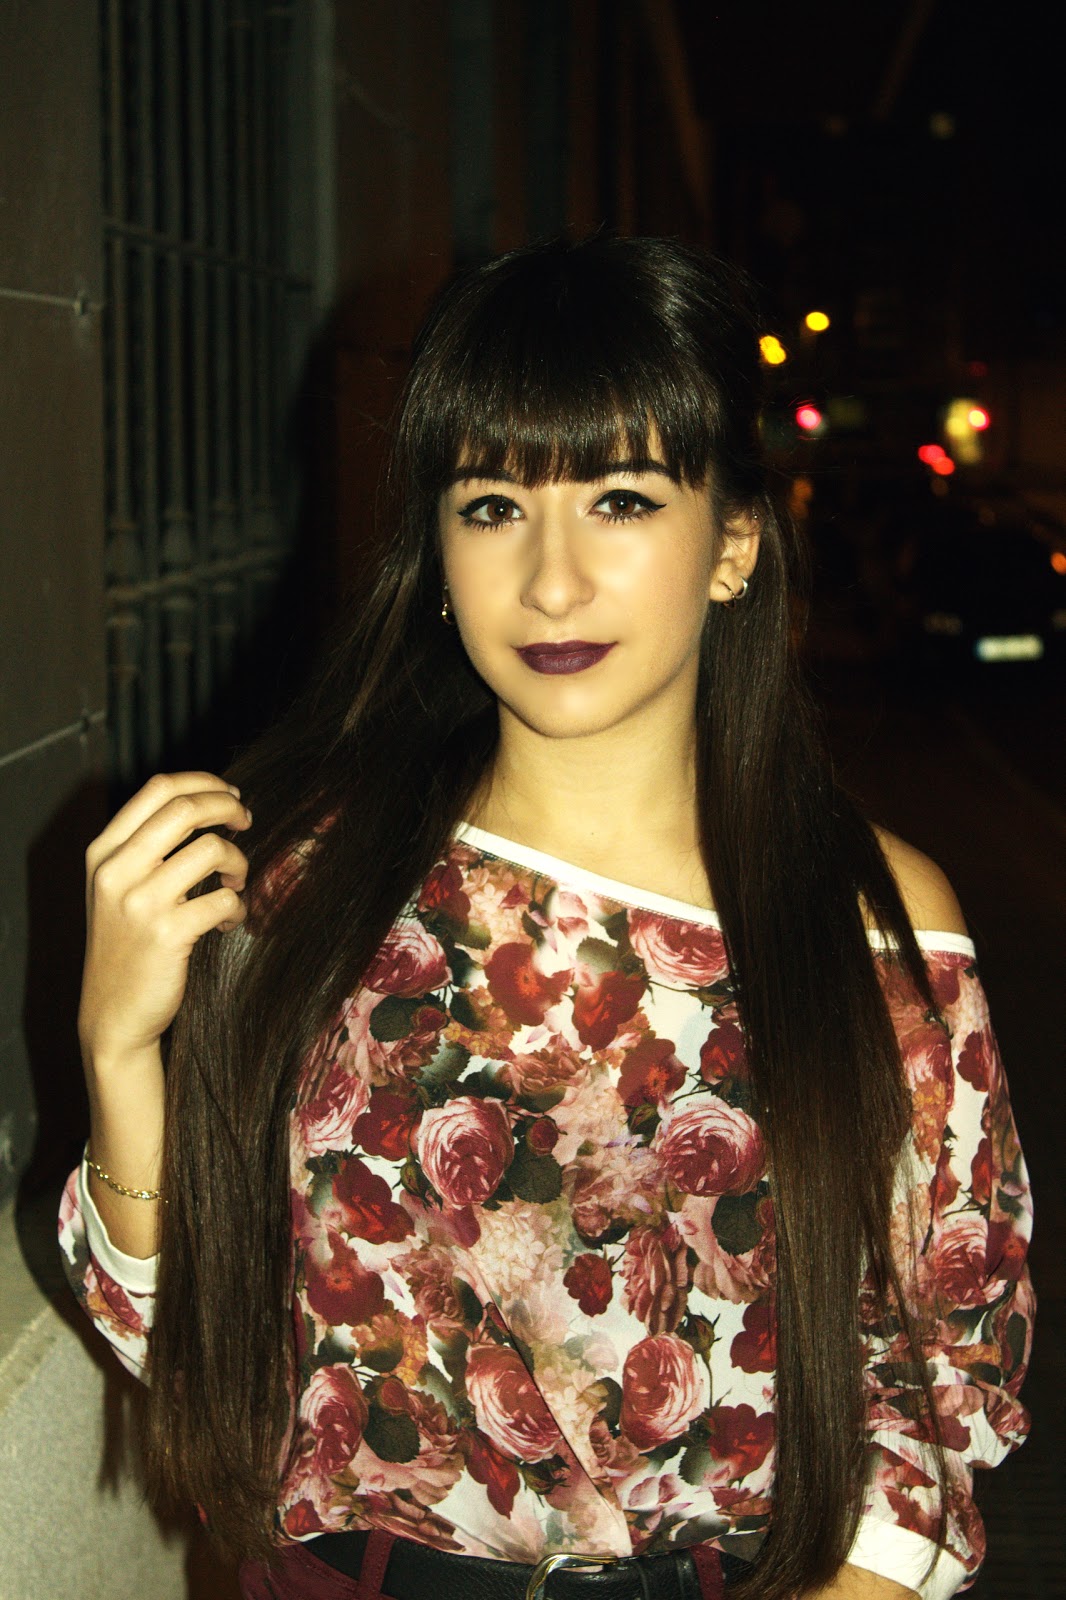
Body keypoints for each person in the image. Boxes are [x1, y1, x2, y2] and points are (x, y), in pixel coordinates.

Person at [61, 236, 1033, 1600]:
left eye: (621, 499)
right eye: (492, 506)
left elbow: (944, 1375)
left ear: (734, 544)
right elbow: (192, 1347)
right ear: (437, 548)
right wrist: (116, 1051)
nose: (551, 581)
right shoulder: (299, 882)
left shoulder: (867, 921)